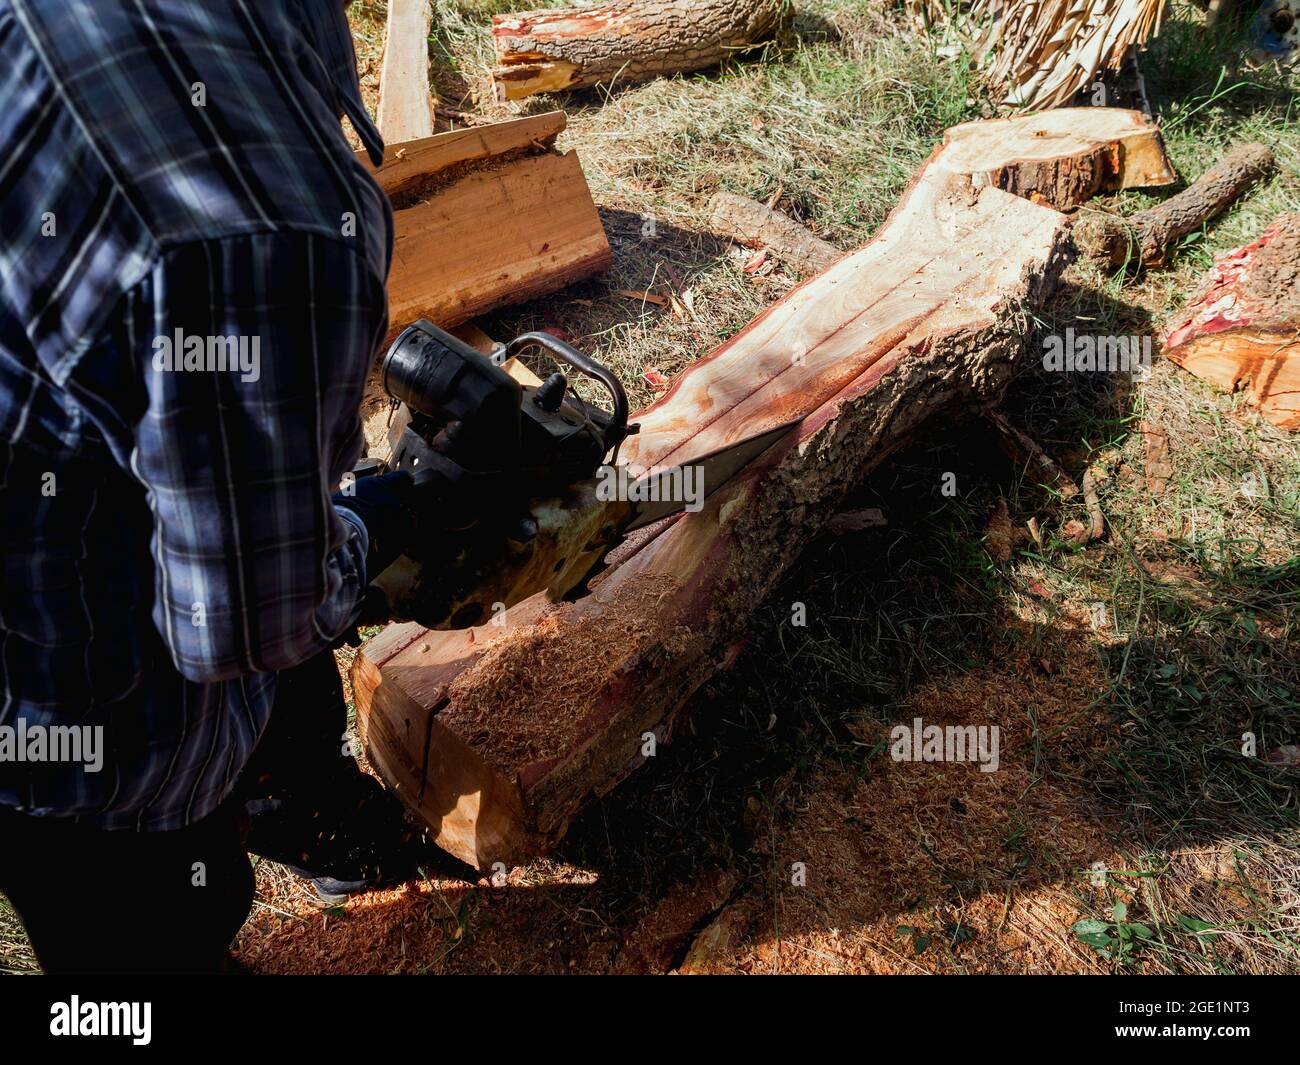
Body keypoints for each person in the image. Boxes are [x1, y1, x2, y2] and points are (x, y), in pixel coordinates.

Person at [0, 0, 467, 974]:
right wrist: (385, 527)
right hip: (63, 731)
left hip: (55, 484)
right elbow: (246, 625)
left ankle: (283, 792)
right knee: (146, 934)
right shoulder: (253, 230)